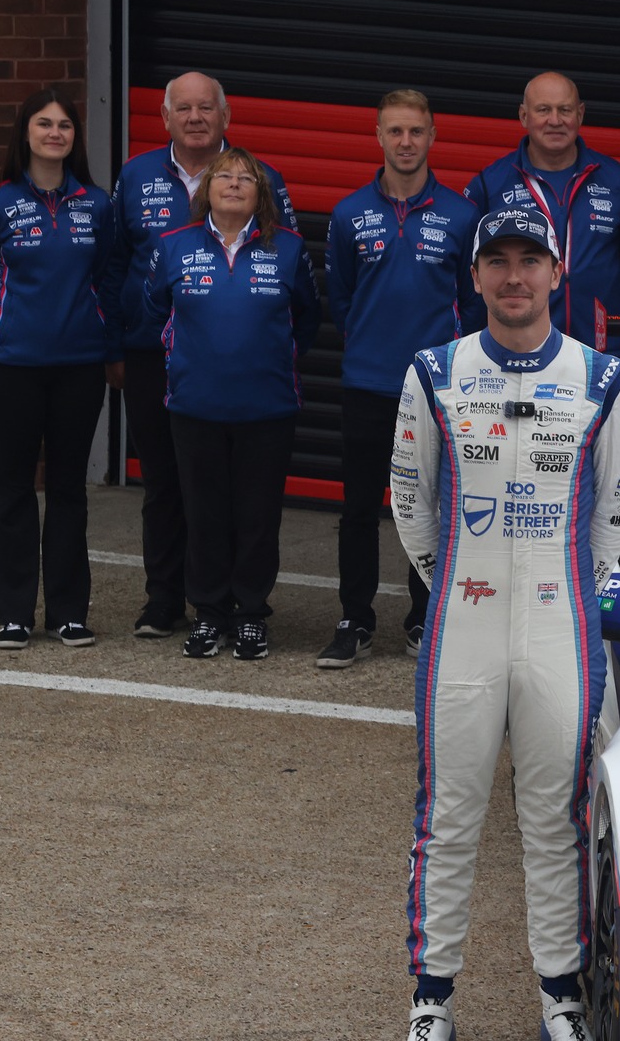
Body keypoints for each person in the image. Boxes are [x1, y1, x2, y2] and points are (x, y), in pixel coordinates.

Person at [390, 206, 620, 1041]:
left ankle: (561, 997)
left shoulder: (604, 377)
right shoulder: (434, 372)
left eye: (529, 259)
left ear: (557, 272)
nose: (513, 276)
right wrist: (453, 582)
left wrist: (575, 588)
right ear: (476, 276)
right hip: (463, 622)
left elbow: (618, 505)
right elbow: (410, 498)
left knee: (557, 819)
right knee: (447, 815)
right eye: (496, 260)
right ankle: (431, 1002)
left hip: (560, 625)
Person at [103, 73, 297, 641]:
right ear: (165, 118)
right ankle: (164, 599)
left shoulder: (261, 177)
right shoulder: (135, 176)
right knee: (165, 482)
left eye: (206, 108)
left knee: (234, 491)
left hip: (238, 368)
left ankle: (233, 604)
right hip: (150, 354)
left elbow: (291, 277)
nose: (195, 118)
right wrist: (115, 344)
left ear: (225, 117)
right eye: (183, 108)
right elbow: (113, 264)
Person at [317, 89, 478, 668]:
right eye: (395, 131)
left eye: (415, 131)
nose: (405, 142)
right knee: (359, 508)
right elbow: (341, 300)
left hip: (436, 389)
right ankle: (354, 619)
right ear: (379, 136)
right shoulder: (348, 214)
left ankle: (424, 617)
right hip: (367, 382)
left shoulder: (461, 216)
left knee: (430, 509)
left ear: (432, 136)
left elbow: (472, 303)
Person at [140, 148, 320, 662]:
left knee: (258, 517)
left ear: (261, 193)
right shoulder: (173, 245)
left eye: (246, 178)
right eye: (224, 175)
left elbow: (307, 318)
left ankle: (251, 615)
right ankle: (209, 614)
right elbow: (154, 310)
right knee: (204, 515)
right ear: (206, 189)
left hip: (268, 409)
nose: (235, 183)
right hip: (195, 407)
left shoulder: (288, 248)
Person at [0, 88, 115, 649]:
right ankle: (14, 614)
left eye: (65, 125)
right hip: (12, 366)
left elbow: (107, 277)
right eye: (44, 124)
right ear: (25, 133)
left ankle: (69, 612)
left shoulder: (97, 205)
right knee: (14, 487)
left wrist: (98, 334)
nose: (55, 133)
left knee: (69, 488)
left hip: (80, 366)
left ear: (75, 136)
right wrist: (10, 330)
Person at [464, 72, 620, 351]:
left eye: (564, 110)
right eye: (543, 110)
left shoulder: (617, 180)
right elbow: (469, 273)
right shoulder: (490, 184)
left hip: (602, 349)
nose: (555, 120)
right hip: (518, 347)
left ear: (580, 114)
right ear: (524, 116)